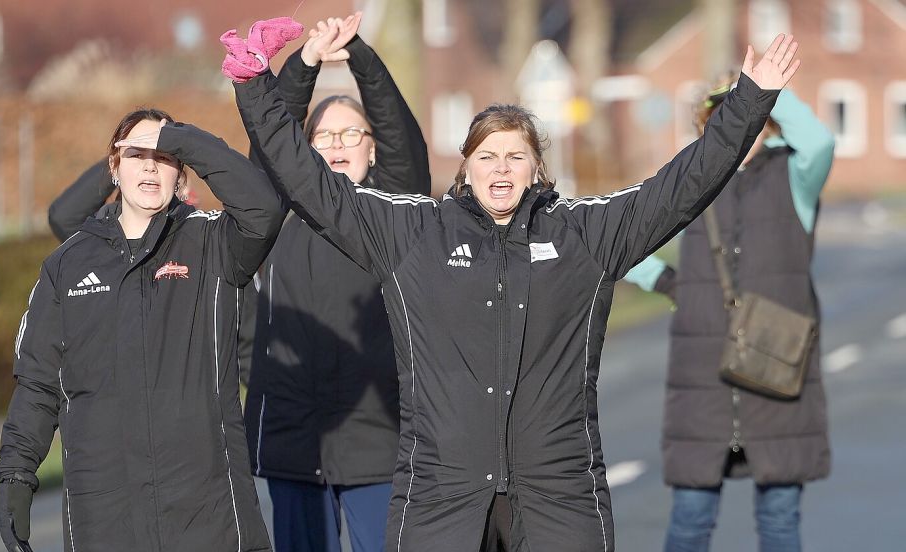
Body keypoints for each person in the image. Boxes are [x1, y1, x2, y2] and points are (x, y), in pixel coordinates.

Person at [229, 13, 801, 551]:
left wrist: (749, 100)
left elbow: (682, 185)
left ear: (536, 169)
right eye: (487, 156)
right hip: (440, 500)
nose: (500, 167)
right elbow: (308, 183)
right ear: (466, 168)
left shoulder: (586, 235)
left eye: (515, 156)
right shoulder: (413, 232)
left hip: (559, 496)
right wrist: (256, 85)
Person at [0, 108, 286, 552]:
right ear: (114, 168)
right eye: (136, 155)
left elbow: (263, 207)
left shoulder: (213, 244)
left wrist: (183, 137)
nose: (150, 166)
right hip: (105, 514)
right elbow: (38, 383)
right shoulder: (66, 265)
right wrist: (16, 474)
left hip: (207, 512)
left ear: (181, 173)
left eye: (165, 156)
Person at [240, 16, 430, 552]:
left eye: (353, 133)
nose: (340, 143)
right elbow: (268, 141)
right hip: (294, 435)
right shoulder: (273, 211)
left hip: (380, 434)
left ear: (372, 149)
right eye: (324, 135)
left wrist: (360, 57)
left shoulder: (394, 210)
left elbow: (404, 139)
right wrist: (303, 64)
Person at [625, 78, 834, 551]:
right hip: (703, 378)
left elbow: (820, 140)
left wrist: (768, 87)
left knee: (780, 516)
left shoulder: (796, 174)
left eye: (748, 115)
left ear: (768, 121)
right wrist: (666, 282)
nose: (739, 125)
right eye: (722, 116)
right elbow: (629, 235)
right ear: (706, 126)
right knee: (691, 518)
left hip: (778, 370)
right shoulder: (691, 183)